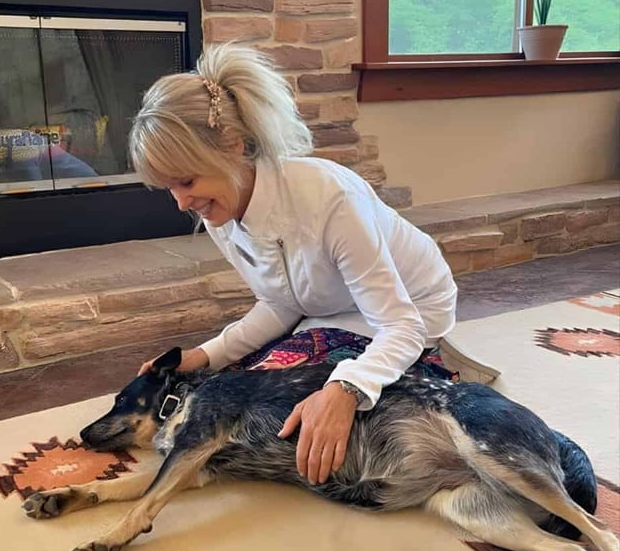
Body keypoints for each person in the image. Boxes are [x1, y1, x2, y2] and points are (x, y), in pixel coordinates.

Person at [129, 44, 458, 489]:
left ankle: (428, 376)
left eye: (187, 181)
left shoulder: (331, 199)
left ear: (233, 147)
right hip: (328, 312)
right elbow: (280, 303)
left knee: (268, 395)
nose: (182, 202)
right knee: (229, 387)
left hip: (412, 312)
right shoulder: (221, 212)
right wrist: (203, 355)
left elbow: (400, 326)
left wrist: (346, 390)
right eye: (169, 188)